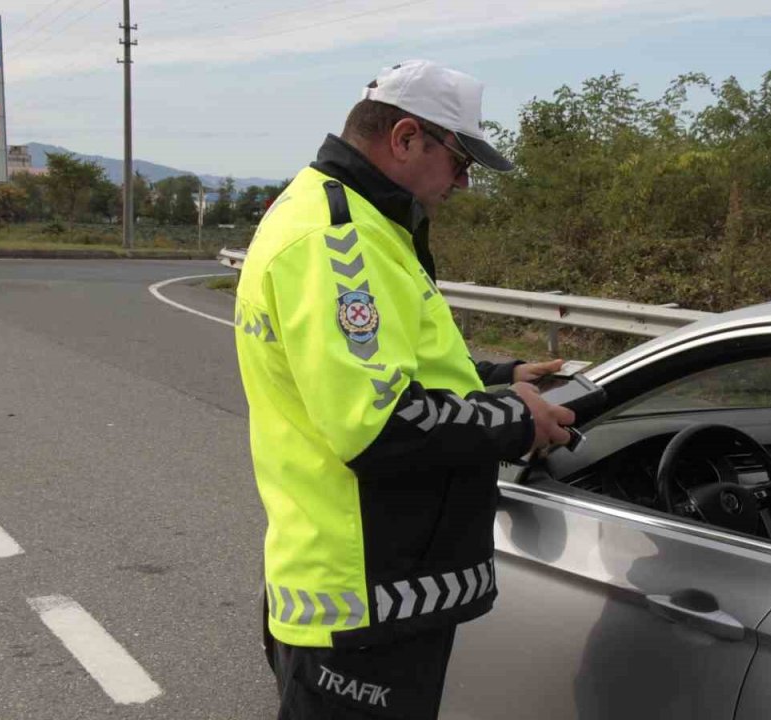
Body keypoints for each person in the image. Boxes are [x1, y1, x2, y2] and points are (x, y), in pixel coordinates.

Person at [234, 59, 576, 719]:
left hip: (367, 582)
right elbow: (374, 424)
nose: (465, 183)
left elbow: (382, 364)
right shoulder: (339, 239)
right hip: (362, 592)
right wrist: (515, 419)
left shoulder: (352, 218)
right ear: (406, 137)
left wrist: (498, 378)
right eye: (460, 161)